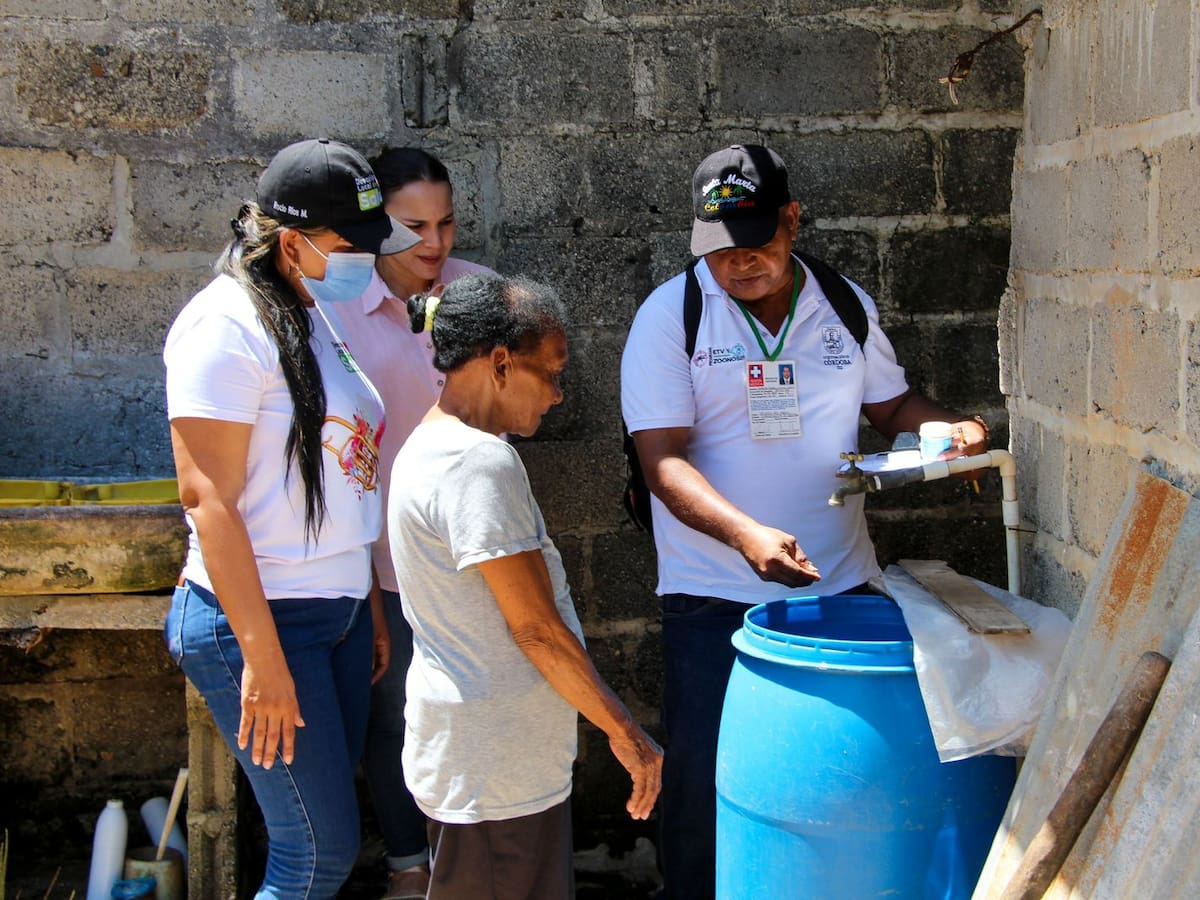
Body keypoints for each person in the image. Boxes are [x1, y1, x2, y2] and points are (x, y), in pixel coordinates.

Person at [619, 143, 990, 900]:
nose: (740, 264)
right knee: (705, 786)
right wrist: (746, 535)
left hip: (841, 587)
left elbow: (889, 408)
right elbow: (661, 461)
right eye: (722, 251)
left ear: (792, 220)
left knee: (840, 781)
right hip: (714, 594)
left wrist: (954, 429)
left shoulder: (844, 304)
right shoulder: (672, 317)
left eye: (757, 243)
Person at [162, 138, 420, 899]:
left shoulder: (310, 309)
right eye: (351, 246)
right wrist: (263, 659)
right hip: (265, 622)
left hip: (332, 614)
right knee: (315, 857)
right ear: (292, 240)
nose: (366, 262)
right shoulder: (225, 326)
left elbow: (345, 473)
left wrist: (363, 602)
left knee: (323, 842)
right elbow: (208, 500)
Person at [388, 274, 664, 899]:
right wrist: (626, 733)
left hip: (486, 765)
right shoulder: (476, 463)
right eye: (553, 372)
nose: (560, 395)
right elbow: (536, 629)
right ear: (502, 363)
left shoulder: (435, 446)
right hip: (494, 776)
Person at [321, 146, 493, 900]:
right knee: (393, 722)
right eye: (413, 226)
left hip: (476, 552)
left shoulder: (482, 295)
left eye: (447, 223)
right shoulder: (332, 310)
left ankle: (470, 868)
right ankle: (407, 866)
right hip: (383, 559)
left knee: (475, 714)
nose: (435, 244)